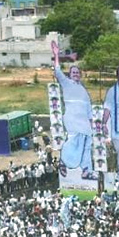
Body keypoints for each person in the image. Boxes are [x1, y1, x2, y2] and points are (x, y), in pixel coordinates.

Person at [51, 40, 94, 180]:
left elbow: (89, 111)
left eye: (77, 72)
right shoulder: (67, 84)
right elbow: (57, 71)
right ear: (69, 75)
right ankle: (63, 162)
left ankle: (86, 170)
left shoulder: (83, 90)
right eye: (73, 72)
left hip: (85, 123)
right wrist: (56, 55)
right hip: (73, 121)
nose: (76, 74)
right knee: (73, 143)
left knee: (87, 145)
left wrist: (92, 124)